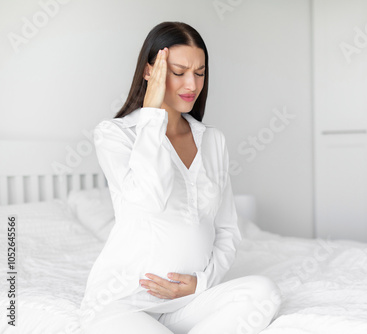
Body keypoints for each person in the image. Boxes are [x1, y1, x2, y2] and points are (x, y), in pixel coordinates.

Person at [78, 22, 282, 334]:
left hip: (187, 301)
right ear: (151, 72)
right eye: (179, 71)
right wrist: (152, 118)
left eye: (200, 72)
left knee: (264, 293)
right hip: (124, 301)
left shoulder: (212, 140)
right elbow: (150, 198)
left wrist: (202, 282)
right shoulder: (115, 134)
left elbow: (227, 229)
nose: (192, 84)